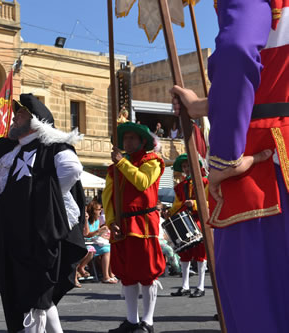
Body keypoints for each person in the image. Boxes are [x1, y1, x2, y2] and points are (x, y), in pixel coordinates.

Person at [170, 1, 288, 331]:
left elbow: (237, 51)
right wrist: (208, 104)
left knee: (259, 309)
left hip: (268, 170)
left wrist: (225, 156)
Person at [0, 93, 87, 332]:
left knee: (35, 295)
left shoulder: (52, 145)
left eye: (21, 113)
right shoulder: (10, 148)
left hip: (37, 237)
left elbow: (72, 169)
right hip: (11, 237)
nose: (15, 117)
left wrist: (45, 203)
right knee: (30, 295)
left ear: (35, 119)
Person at [102, 122, 166, 333]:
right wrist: (111, 221)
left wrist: (122, 163)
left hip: (143, 223)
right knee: (127, 273)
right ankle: (131, 320)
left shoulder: (153, 161)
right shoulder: (114, 168)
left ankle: (147, 322)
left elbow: (143, 182)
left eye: (132, 138)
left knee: (147, 272)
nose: (127, 142)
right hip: (122, 224)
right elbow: (107, 196)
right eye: (125, 138)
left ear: (142, 142)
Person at [168, 154, 208, 298]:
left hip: (199, 221)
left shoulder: (205, 182)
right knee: (184, 254)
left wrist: (195, 204)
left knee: (200, 254)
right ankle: (185, 286)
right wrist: (170, 212)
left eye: (189, 165)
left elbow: (211, 203)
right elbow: (177, 205)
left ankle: (201, 286)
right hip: (184, 221)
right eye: (184, 166)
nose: (186, 169)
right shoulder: (180, 187)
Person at [84, 200, 116, 284]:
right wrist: (98, 231)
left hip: (95, 243)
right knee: (107, 249)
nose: (100, 211)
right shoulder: (87, 221)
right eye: (98, 209)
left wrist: (103, 234)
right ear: (93, 210)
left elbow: (97, 235)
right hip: (88, 243)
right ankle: (106, 276)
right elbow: (87, 234)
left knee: (109, 248)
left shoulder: (97, 221)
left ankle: (110, 274)